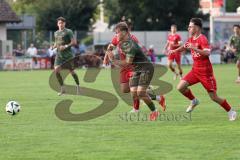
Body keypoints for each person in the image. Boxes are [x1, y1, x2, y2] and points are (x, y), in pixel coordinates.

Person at [168, 18, 237, 121]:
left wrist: (194, 48)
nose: (188, 28)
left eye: (190, 26)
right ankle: (194, 100)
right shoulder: (191, 38)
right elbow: (185, 46)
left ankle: (231, 110)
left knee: (213, 97)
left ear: (196, 27)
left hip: (205, 72)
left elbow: (207, 53)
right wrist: (174, 51)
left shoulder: (202, 39)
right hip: (195, 70)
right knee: (180, 87)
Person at [104, 22, 166, 113]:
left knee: (135, 89)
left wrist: (113, 60)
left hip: (132, 65)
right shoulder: (117, 38)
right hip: (123, 65)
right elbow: (110, 48)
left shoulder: (133, 40)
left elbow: (136, 55)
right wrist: (106, 57)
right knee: (125, 89)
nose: (116, 34)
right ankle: (157, 97)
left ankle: (136, 108)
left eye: (117, 32)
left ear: (126, 30)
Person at [52, 17, 80, 96]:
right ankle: (63, 89)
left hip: (68, 55)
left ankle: (78, 85)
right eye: (59, 23)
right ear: (57, 24)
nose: (60, 24)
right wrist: (53, 46)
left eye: (62, 23)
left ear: (65, 23)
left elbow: (74, 42)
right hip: (59, 55)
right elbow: (56, 42)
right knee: (56, 70)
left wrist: (66, 46)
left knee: (72, 71)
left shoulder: (68, 31)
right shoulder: (56, 33)